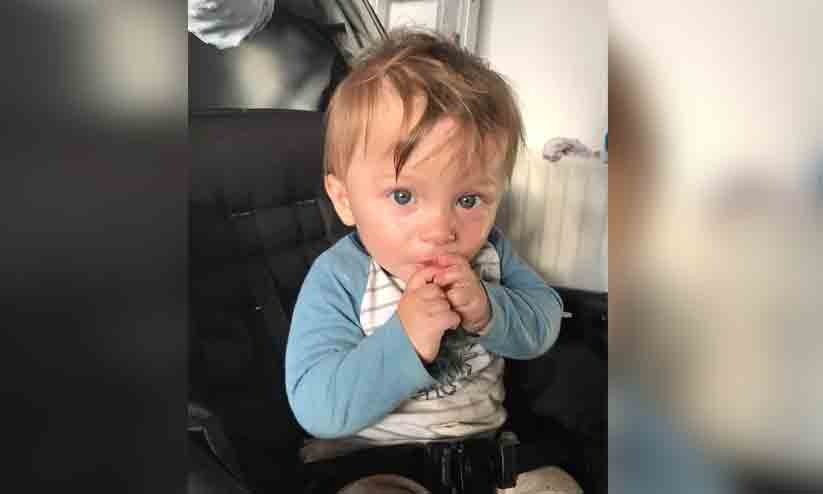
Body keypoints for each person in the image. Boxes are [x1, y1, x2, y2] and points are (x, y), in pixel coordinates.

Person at [285, 30, 581, 494]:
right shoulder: (340, 277)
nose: (441, 229)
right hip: (372, 462)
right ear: (344, 200)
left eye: (468, 199)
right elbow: (316, 408)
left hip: (485, 457)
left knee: (556, 486)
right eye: (404, 196)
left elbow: (544, 325)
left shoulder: (490, 255)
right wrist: (405, 340)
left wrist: (490, 308)